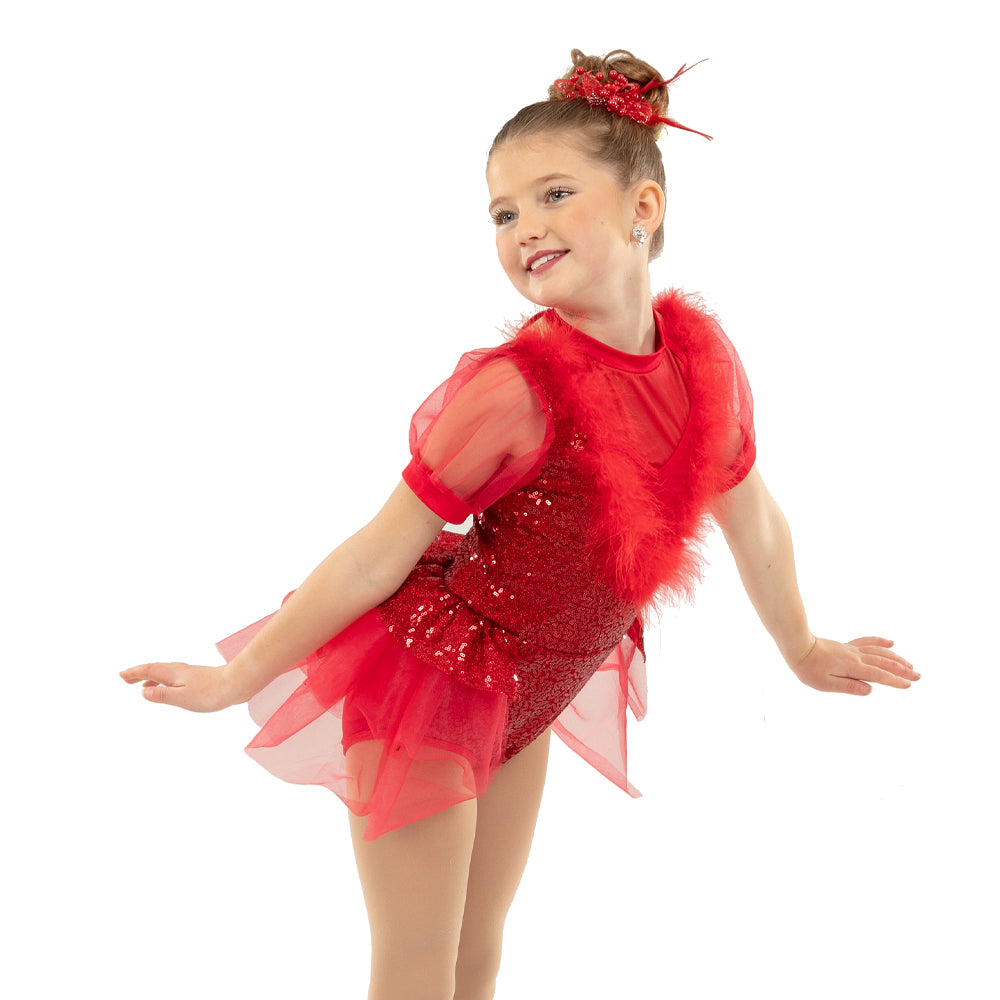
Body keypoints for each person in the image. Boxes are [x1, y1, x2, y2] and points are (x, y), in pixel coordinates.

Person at [121, 48, 918, 1000]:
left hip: (526, 691)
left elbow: (756, 519)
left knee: (477, 952)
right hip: (431, 681)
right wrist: (234, 678)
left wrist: (802, 646)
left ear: (644, 207)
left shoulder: (701, 362)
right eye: (502, 214)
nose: (524, 227)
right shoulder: (515, 392)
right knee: (416, 966)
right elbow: (376, 556)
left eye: (553, 196)